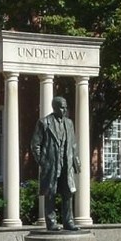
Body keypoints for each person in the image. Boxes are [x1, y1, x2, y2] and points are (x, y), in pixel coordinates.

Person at [30, 96, 81, 231]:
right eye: (62, 107)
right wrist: (43, 162)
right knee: (50, 193)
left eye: (65, 107)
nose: (64, 110)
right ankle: (51, 222)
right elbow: (35, 145)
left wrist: (76, 161)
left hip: (66, 163)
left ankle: (68, 221)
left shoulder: (69, 123)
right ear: (55, 107)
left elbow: (73, 144)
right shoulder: (44, 122)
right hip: (51, 165)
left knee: (68, 193)